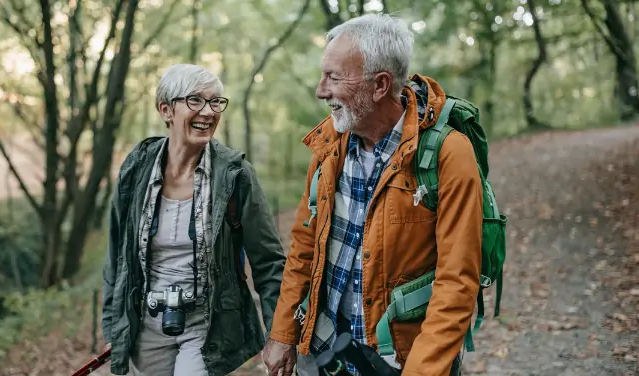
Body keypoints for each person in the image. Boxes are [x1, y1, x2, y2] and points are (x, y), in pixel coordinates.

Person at [261, 14, 483, 376]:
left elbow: (456, 281)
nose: (321, 90)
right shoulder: (329, 145)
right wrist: (284, 333)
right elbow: (304, 245)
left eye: (334, 77)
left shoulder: (447, 154)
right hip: (323, 351)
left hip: (398, 359)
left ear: (379, 86)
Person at [101, 63, 286, 376]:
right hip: (146, 321)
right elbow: (117, 254)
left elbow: (268, 262)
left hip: (206, 323)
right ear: (166, 110)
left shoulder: (235, 175)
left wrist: (280, 335)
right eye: (196, 101)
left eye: (215, 102)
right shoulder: (137, 168)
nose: (209, 112)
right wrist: (113, 325)